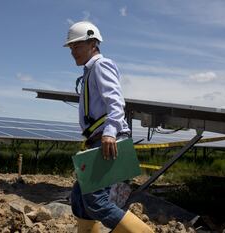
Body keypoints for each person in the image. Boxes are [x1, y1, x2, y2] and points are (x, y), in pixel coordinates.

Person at [64, 21, 153, 233]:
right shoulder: (88, 72)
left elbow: (116, 102)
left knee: (96, 202)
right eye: (71, 47)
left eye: (77, 46)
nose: (73, 51)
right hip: (99, 140)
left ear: (93, 43)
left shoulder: (101, 65)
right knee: (79, 198)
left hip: (108, 140)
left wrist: (110, 134)